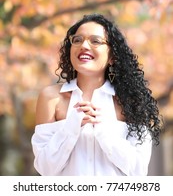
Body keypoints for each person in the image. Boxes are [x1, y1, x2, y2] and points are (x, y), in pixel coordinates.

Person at [31, 13, 162, 176]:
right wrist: (71, 127)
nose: (84, 45)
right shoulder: (51, 98)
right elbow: (45, 168)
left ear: (112, 57)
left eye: (95, 41)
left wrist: (103, 129)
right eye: (77, 40)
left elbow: (138, 170)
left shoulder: (129, 100)